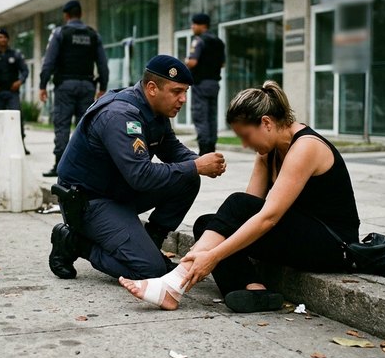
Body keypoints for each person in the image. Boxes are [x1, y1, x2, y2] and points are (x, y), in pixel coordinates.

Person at [119, 81, 361, 313]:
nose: (245, 145)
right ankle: (254, 290)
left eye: (246, 136)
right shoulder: (268, 152)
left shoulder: (306, 147)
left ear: (266, 122)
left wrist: (213, 256)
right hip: (299, 234)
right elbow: (246, 212)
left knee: (232, 211)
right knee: (206, 224)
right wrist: (213, 249)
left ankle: (174, 285)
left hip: (332, 245)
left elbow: (267, 217)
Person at [48, 55, 227, 281]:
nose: (183, 99)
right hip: (89, 201)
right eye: (176, 91)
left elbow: (172, 149)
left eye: (185, 92)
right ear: (152, 88)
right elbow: (141, 176)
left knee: (188, 178)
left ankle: (151, 244)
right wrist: (195, 166)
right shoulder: (120, 115)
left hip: (119, 191)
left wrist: (202, 162)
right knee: (150, 271)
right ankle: (74, 243)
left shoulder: (154, 110)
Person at [39, 0, 110, 177]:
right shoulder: (93, 35)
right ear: (80, 14)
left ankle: (60, 165)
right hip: (87, 86)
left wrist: (42, 85)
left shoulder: (60, 33)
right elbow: (103, 65)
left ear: (66, 15)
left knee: (62, 125)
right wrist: (103, 86)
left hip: (65, 86)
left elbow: (49, 62)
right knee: (84, 127)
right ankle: (83, 166)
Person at [186, 13, 225, 155]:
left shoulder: (198, 41)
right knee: (211, 116)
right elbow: (223, 64)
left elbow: (192, 62)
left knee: (200, 115)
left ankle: (204, 151)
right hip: (214, 84)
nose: (192, 27)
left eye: (194, 24)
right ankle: (212, 148)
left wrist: (185, 62)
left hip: (200, 83)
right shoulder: (219, 42)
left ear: (202, 26)